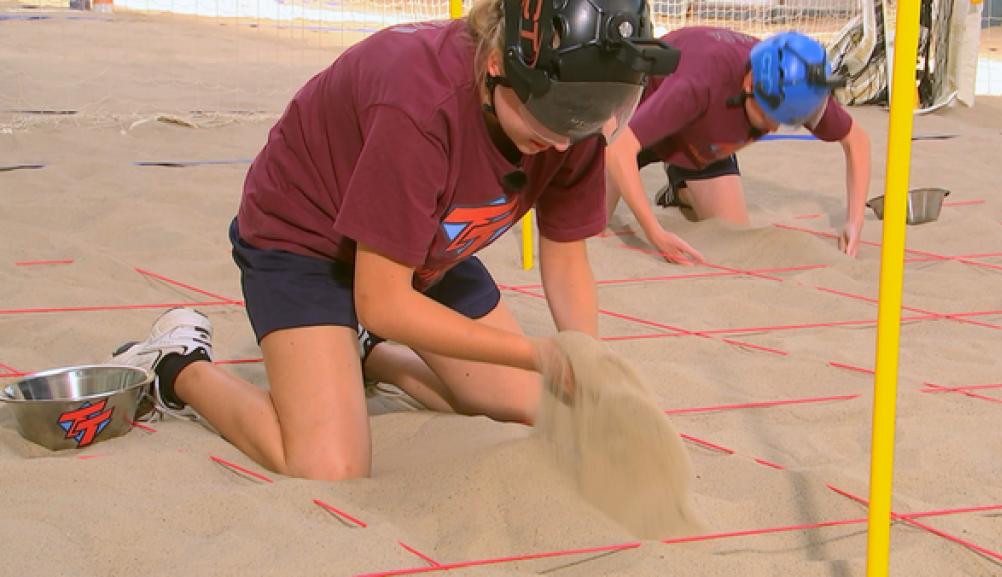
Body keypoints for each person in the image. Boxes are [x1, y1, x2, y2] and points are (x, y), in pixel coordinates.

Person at [110, 0, 679, 480]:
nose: (562, 142)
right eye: (551, 117)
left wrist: (584, 358)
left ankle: (364, 351)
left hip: (422, 242)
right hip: (306, 238)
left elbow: (566, 257)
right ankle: (177, 364)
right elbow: (381, 300)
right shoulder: (420, 103)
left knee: (532, 407)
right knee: (329, 466)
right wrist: (537, 352)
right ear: (496, 63)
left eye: (585, 117)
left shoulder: (574, 118)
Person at [604, 28, 872, 264]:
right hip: (634, 118)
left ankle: (680, 186)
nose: (774, 128)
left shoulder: (796, 86)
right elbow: (619, 149)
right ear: (749, 83)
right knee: (591, 226)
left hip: (700, 142)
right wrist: (655, 232)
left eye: (785, 121)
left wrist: (854, 221)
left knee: (732, 231)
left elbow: (857, 141)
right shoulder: (699, 82)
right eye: (770, 115)